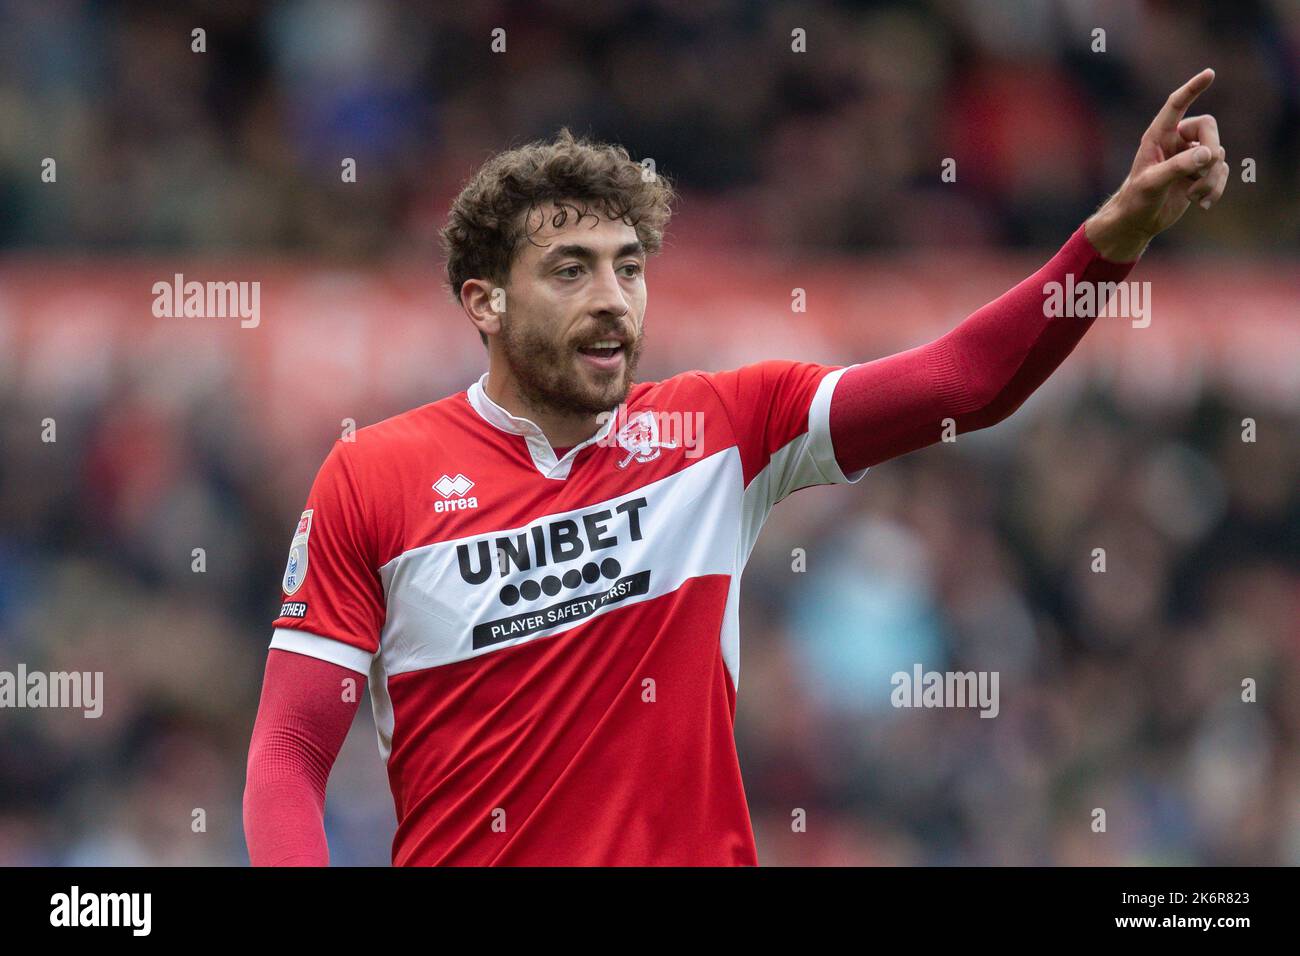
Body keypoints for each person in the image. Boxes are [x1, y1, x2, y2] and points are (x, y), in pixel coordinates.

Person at [244, 71, 1227, 865]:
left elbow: (966, 382)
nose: (612, 299)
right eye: (570, 269)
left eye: (629, 266)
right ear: (485, 304)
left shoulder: (719, 428)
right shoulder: (373, 477)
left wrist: (1114, 238)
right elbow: (289, 754)